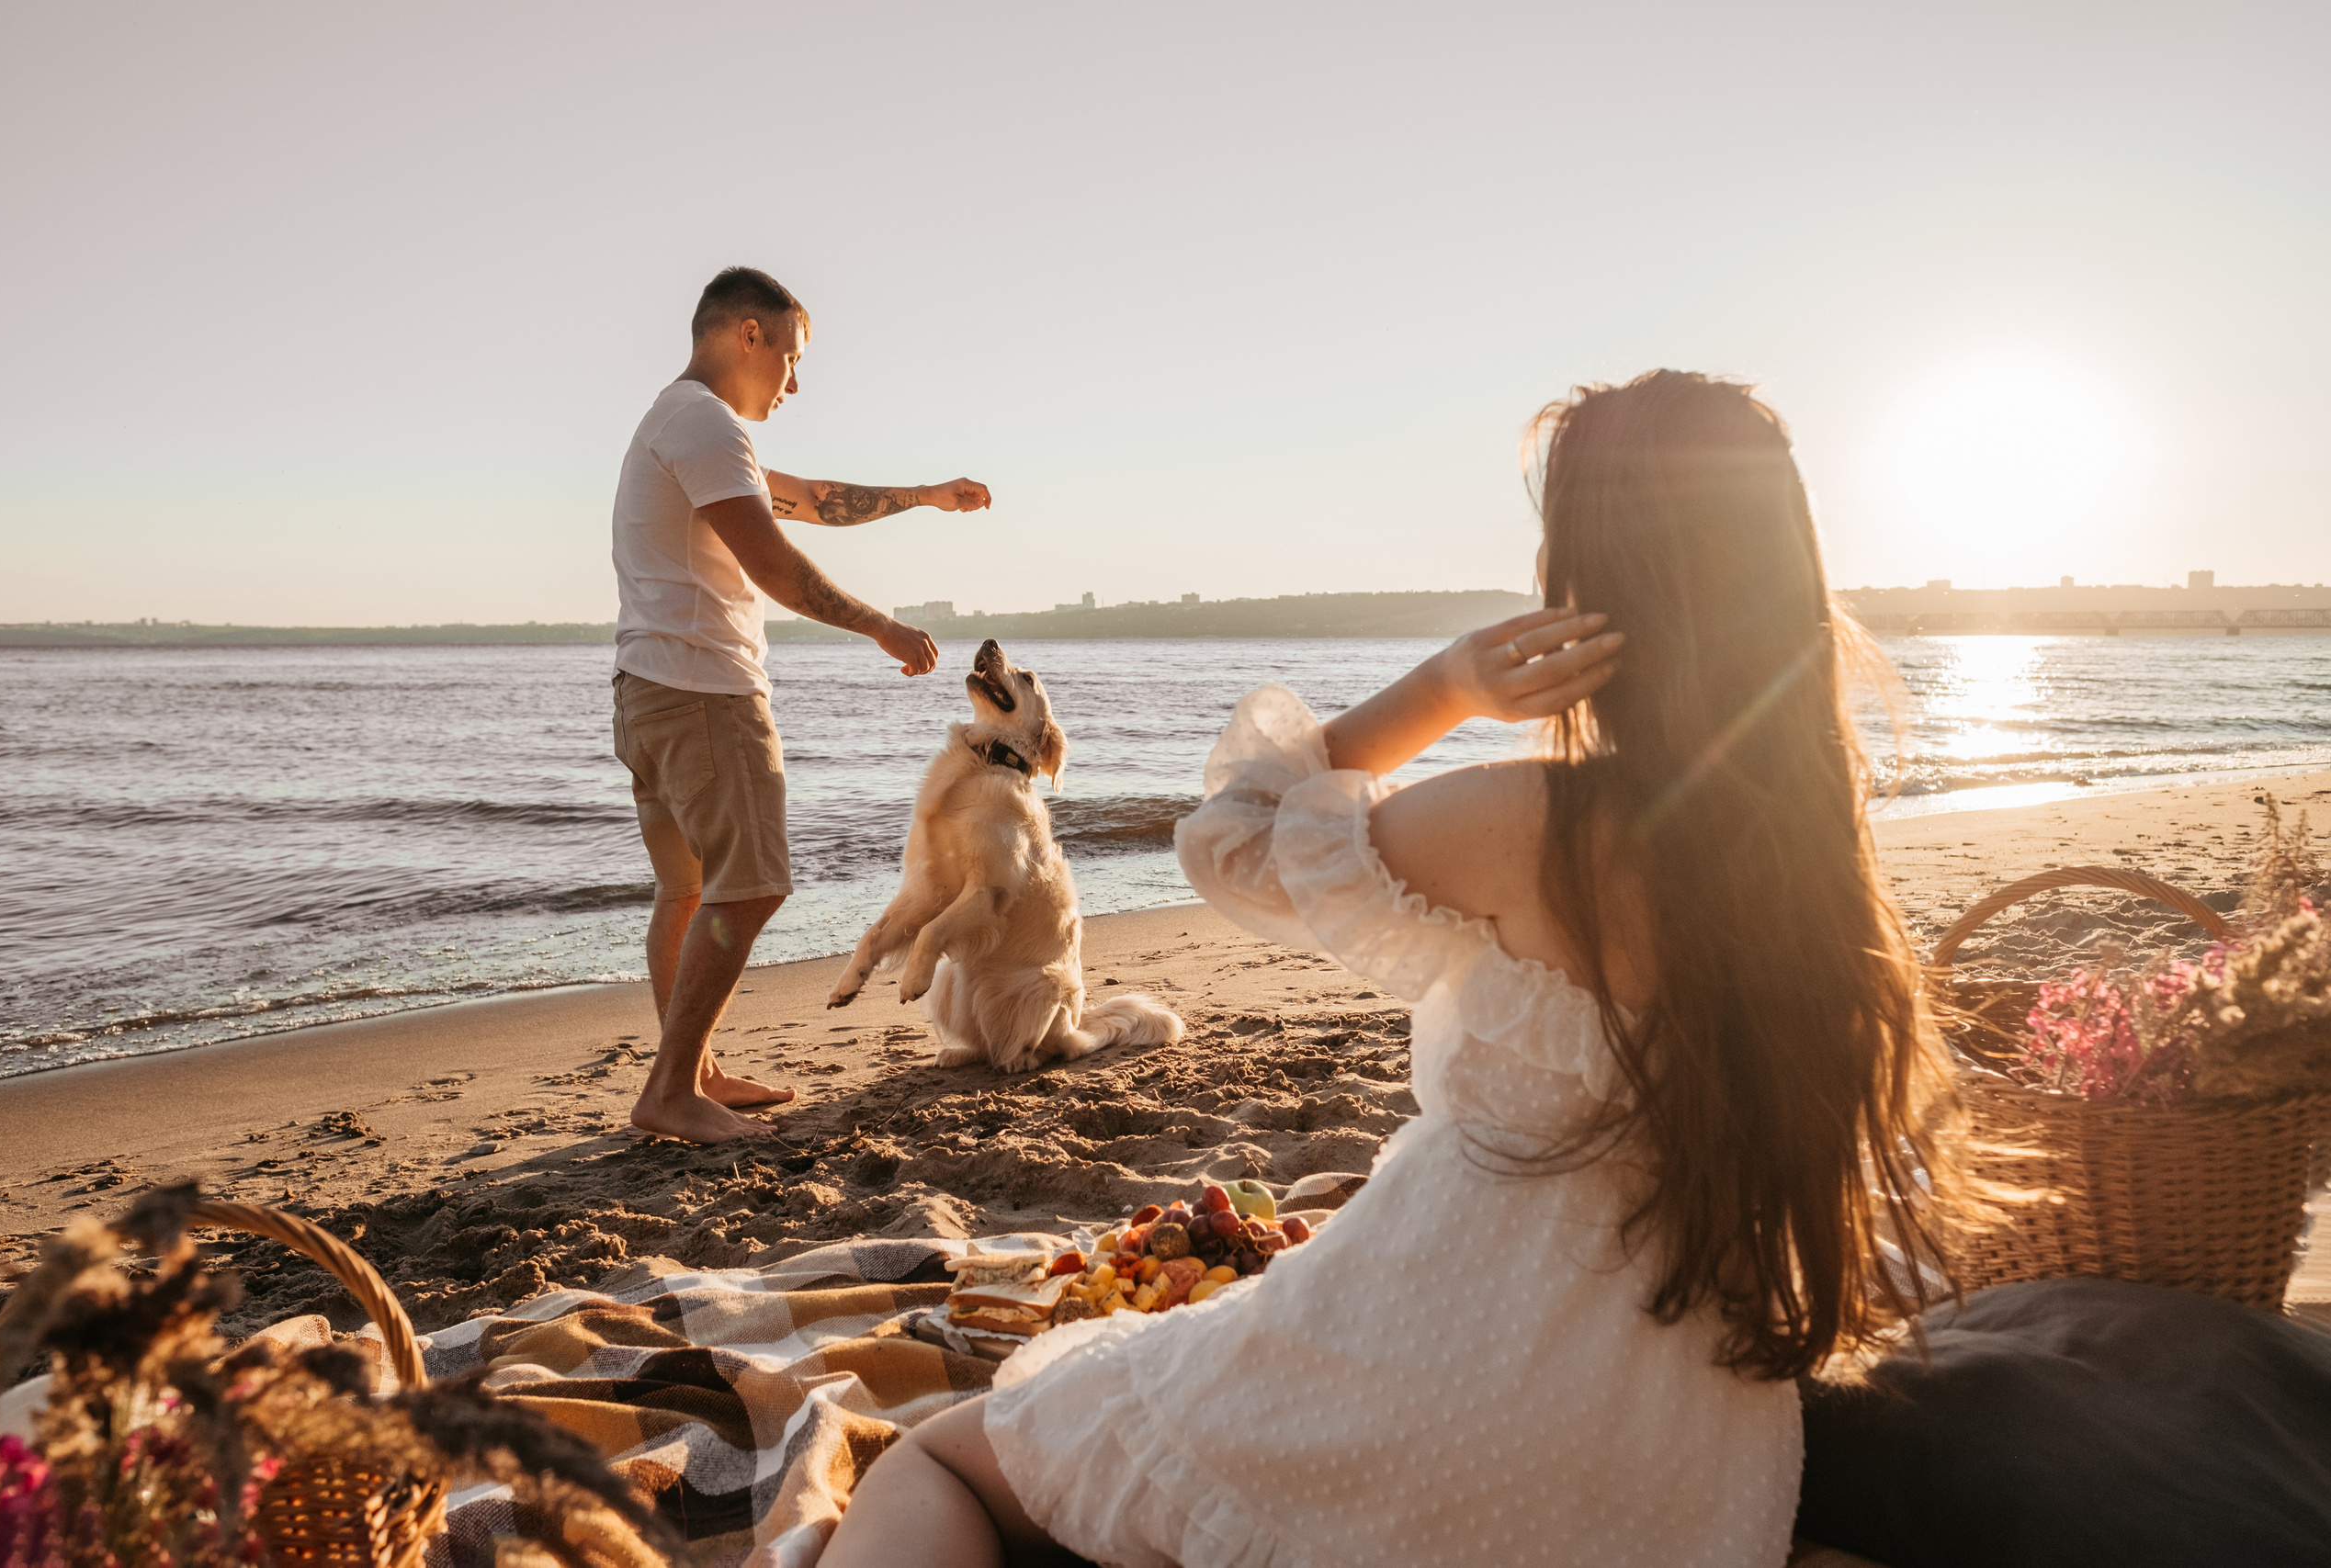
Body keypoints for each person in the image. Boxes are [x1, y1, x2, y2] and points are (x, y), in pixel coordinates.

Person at [818, 371, 1958, 1567]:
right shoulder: (1820, 884)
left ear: (1593, 585)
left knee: (936, 1456)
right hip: (1673, 1451)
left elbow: (1232, 838)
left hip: (1445, 1375)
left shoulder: (1540, 828)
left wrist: (1445, 687)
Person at [613, 265, 990, 1146]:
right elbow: (775, 565)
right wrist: (882, 627)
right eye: (791, 356)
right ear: (750, 334)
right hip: (705, 692)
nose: (795, 380)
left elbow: (815, 502)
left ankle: (694, 1070)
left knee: (690, 890)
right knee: (751, 890)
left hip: (649, 691)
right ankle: (671, 1088)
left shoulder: (686, 425)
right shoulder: (703, 421)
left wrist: (924, 495)